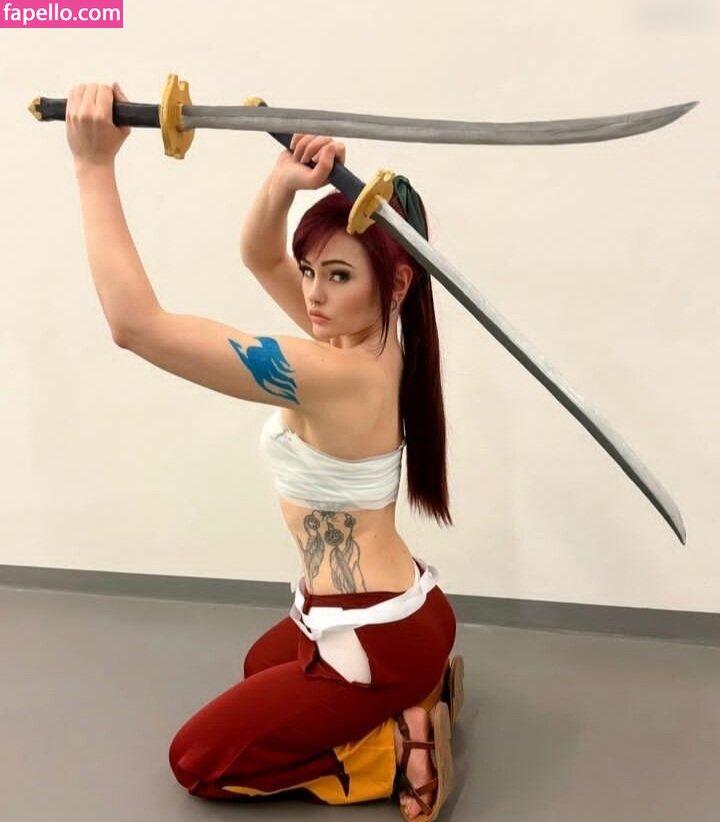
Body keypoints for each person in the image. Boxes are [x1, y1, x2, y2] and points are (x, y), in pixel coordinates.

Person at [65, 82, 463, 821]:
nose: (313, 294)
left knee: (199, 761)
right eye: (311, 271)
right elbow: (259, 256)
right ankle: (422, 686)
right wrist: (283, 182)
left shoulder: (329, 373)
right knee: (261, 666)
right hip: (399, 612)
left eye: (337, 275)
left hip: (374, 630)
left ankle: (392, 746)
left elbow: (136, 325)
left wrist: (93, 166)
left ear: (397, 281)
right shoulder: (373, 344)